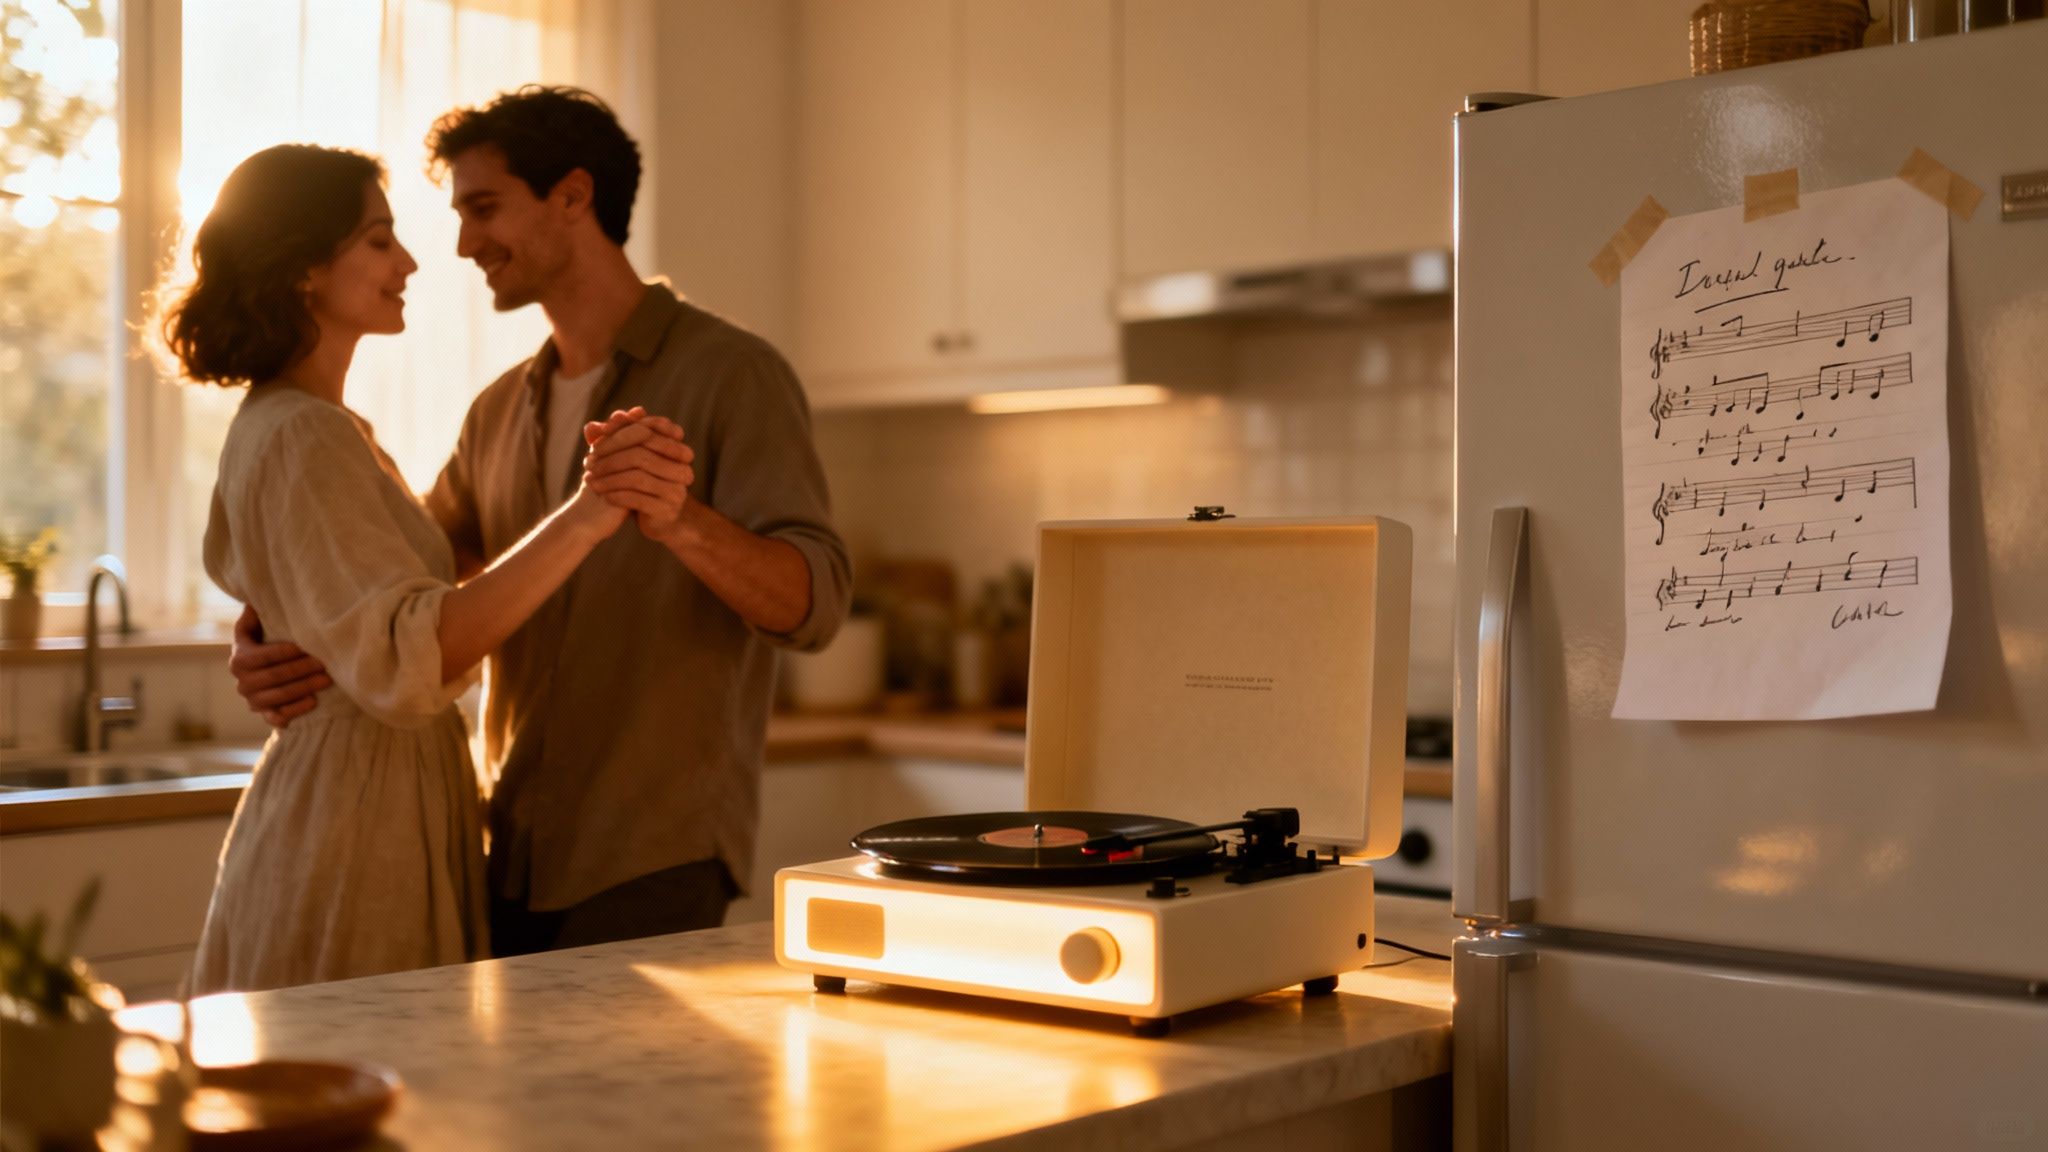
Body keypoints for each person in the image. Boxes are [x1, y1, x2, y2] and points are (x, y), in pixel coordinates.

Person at [227, 87, 852, 955]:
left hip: (650, 852)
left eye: (484, 208)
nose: (462, 244)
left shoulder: (733, 375)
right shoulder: (496, 410)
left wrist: (681, 522)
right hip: (507, 840)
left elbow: (815, 605)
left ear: (572, 196)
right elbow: (403, 574)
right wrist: (270, 629)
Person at [163, 144, 658, 993]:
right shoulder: (302, 433)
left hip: (369, 804)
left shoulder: (317, 426)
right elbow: (408, 651)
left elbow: (339, 605)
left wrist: (272, 631)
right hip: (357, 823)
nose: (411, 262)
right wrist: (589, 515)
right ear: (305, 269)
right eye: (379, 240)